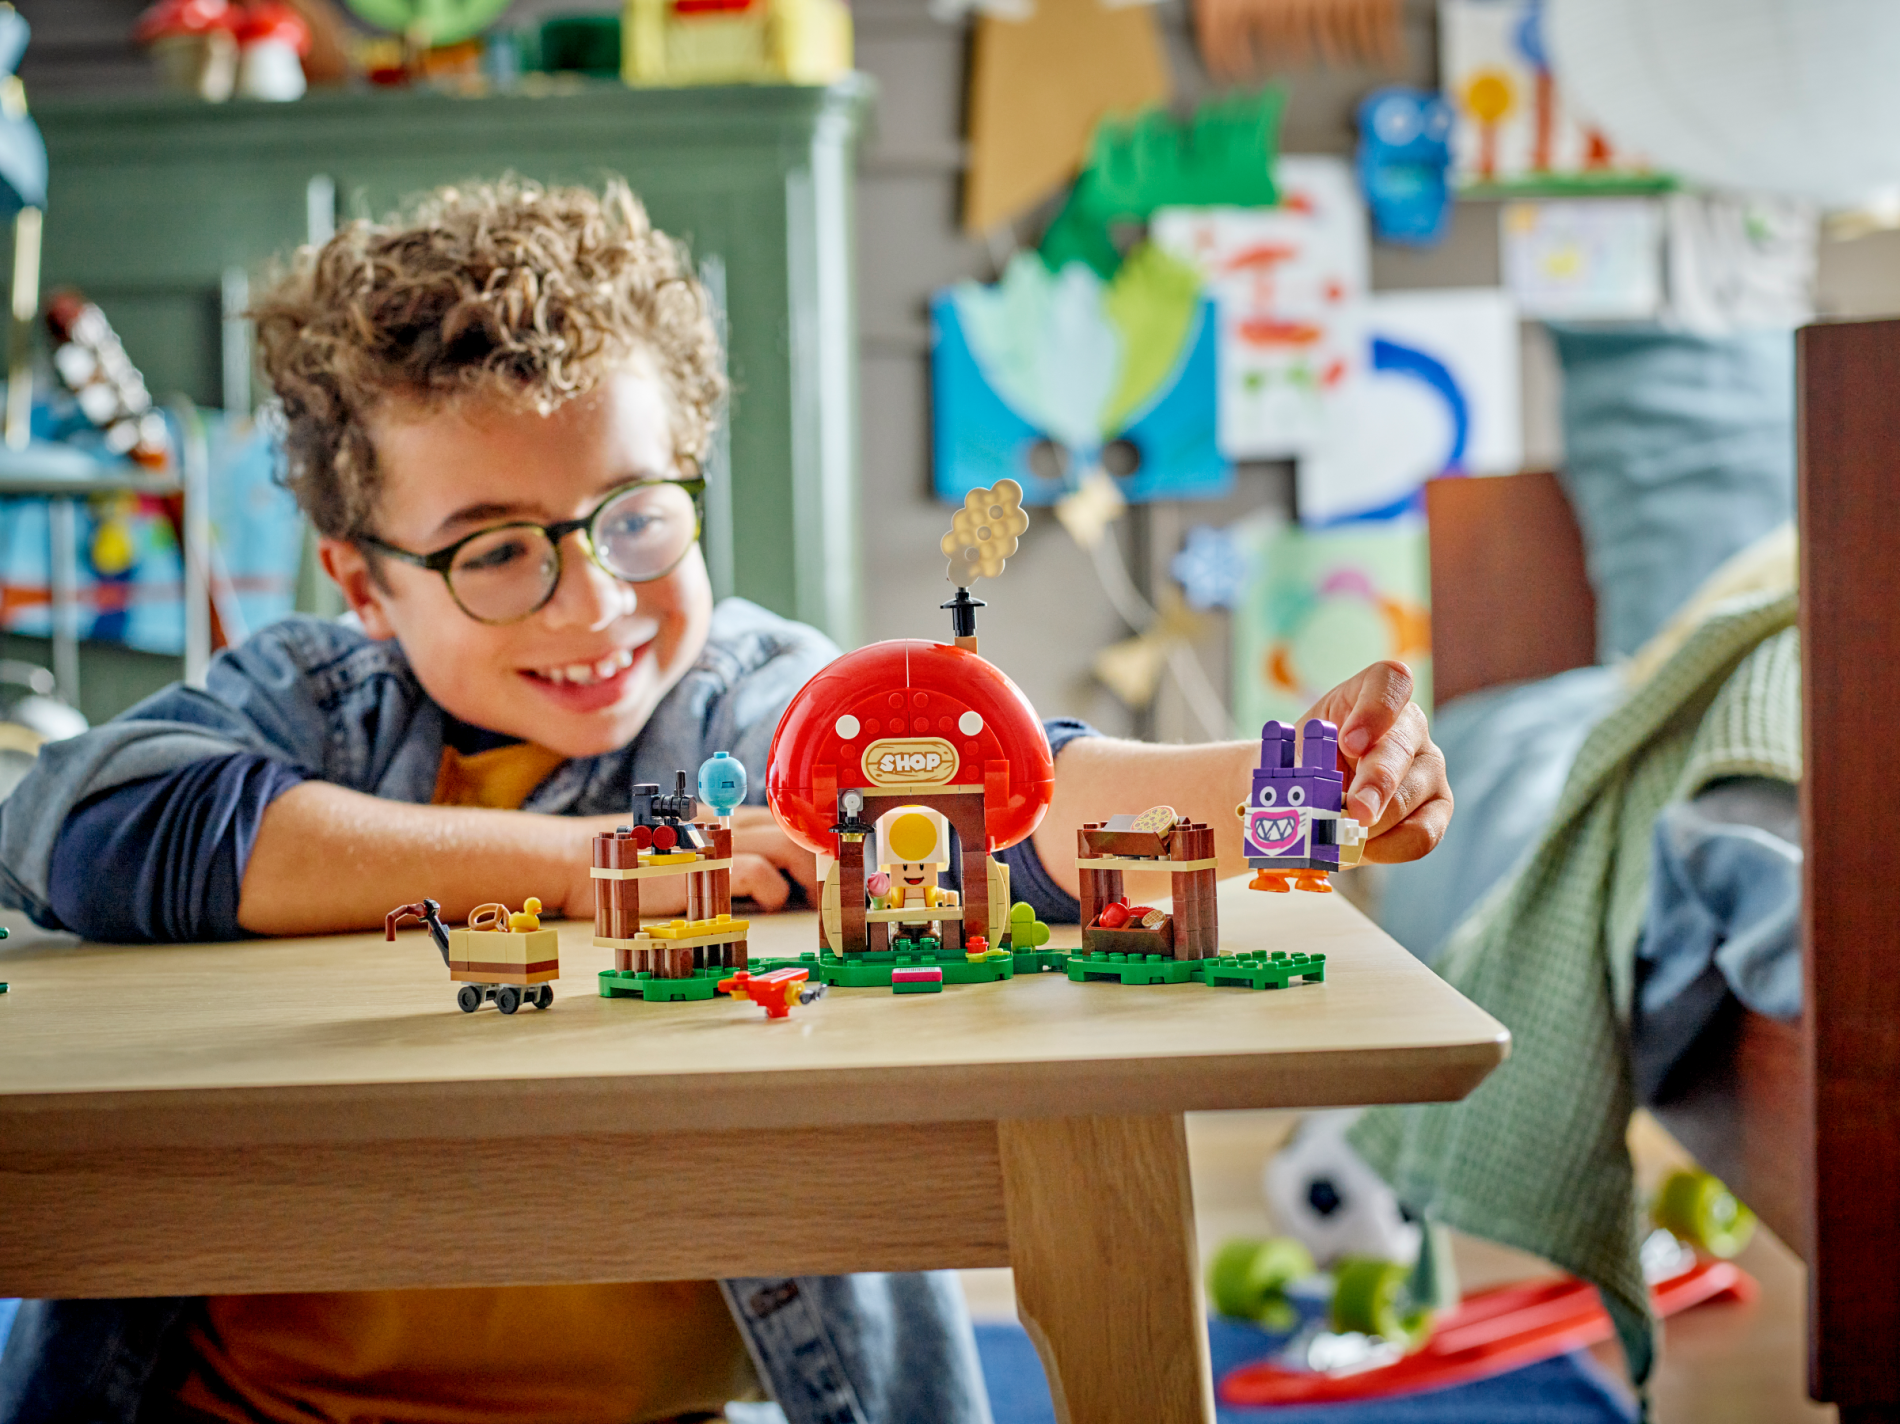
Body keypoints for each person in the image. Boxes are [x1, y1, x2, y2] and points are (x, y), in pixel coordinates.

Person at [0, 180, 1449, 1424]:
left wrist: (1291, 785)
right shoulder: (315, 700)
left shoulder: (749, 698)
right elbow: (83, 828)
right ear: (364, 584)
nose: (593, 602)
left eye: (635, 516)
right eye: (494, 552)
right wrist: (601, 863)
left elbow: (1002, 795)